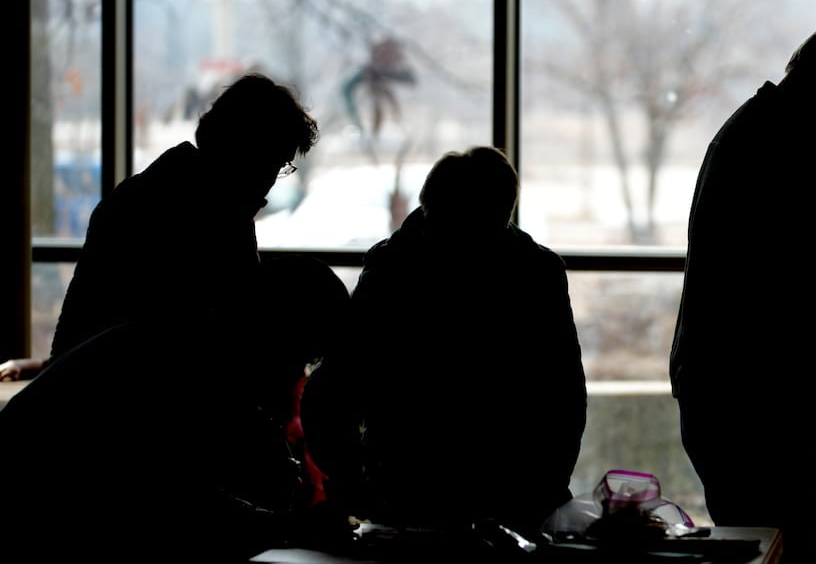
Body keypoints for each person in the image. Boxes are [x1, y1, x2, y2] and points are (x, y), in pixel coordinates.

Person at [668, 18, 816, 561]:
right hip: (754, 400)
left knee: (767, 541)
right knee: (772, 543)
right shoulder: (783, 153)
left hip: (739, 392)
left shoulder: (762, 136)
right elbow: (805, 285)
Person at [301, 146, 587, 540]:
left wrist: (351, 477)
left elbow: (334, 386)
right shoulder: (534, 272)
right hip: (505, 487)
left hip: (404, 481)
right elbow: (563, 395)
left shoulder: (393, 268)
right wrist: (544, 489)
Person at [0, 255, 353, 562]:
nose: (296, 375)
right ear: (272, 335)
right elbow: (178, 517)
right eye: (302, 356)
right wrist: (291, 526)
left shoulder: (172, 349)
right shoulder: (173, 372)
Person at [49, 72, 319, 360]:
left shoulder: (149, 195)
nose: (270, 180)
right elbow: (220, 340)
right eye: (273, 163)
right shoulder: (216, 219)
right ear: (245, 152)